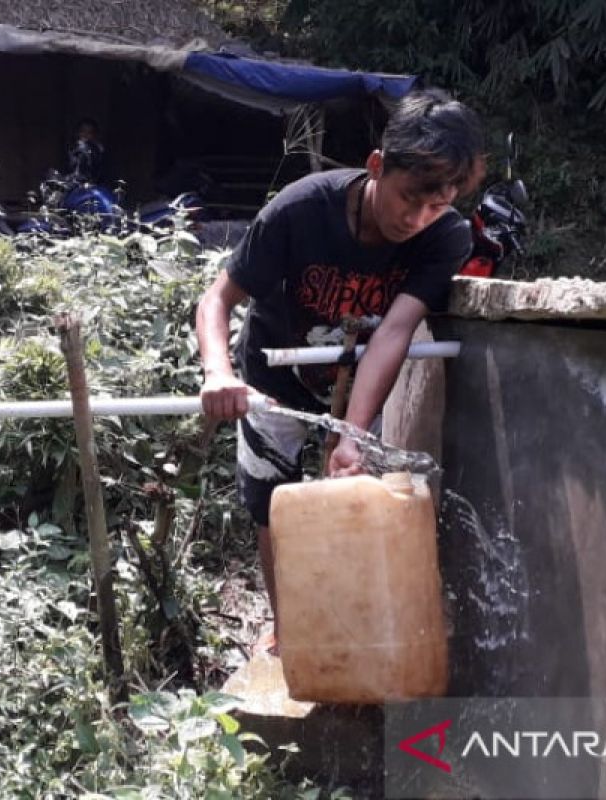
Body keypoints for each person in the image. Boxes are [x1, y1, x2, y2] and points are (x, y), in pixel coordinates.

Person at [195, 88, 485, 647]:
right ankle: (287, 629)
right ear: (377, 166)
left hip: (357, 378)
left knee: (356, 493)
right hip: (273, 375)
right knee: (270, 501)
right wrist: (217, 371)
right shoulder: (301, 208)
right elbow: (217, 299)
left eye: (437, 205)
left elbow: (396, 330)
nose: (418, 219)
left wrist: (352, 432)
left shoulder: (445, 237)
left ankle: (350, 631)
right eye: (408, 199)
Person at [67, 117, 107, 185]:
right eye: (83, 131)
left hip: (91, 184)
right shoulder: (72, 148)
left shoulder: (97, 150)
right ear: (77, 132)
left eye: (89, 132)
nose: (85, 134)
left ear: (94, 135)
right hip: (73, 182)